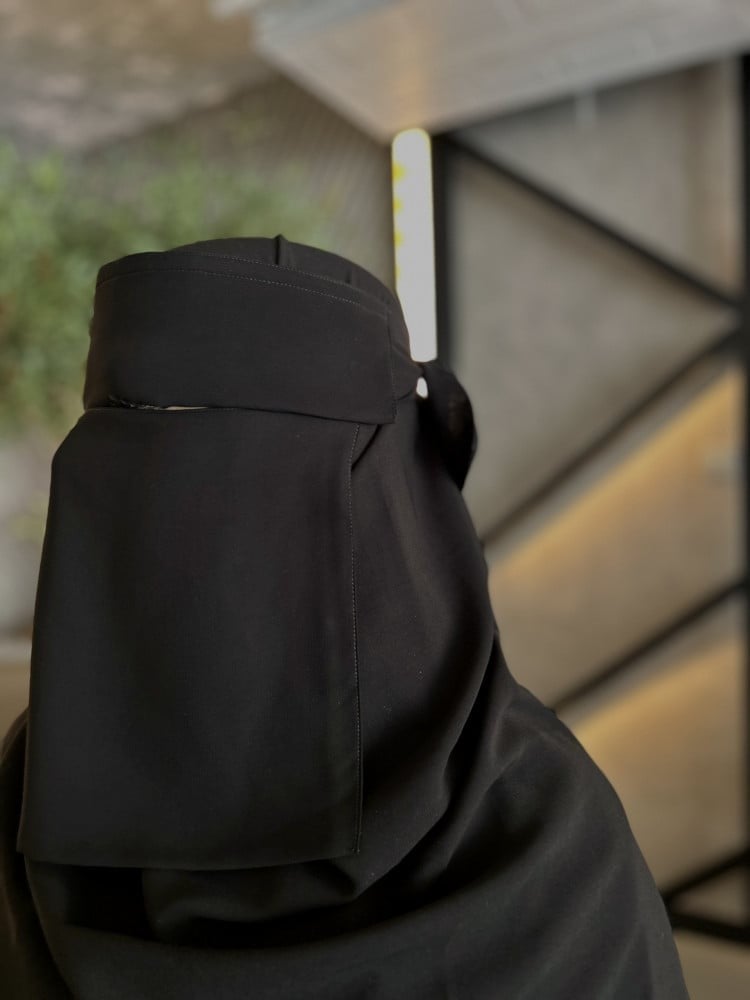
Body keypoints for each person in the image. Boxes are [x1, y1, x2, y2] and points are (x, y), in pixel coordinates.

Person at [0, 235, 689, 999]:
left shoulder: (541, 829)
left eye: (244, 452)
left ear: (383, 491)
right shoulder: (37, 775)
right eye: (134, 432)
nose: (179, 502)